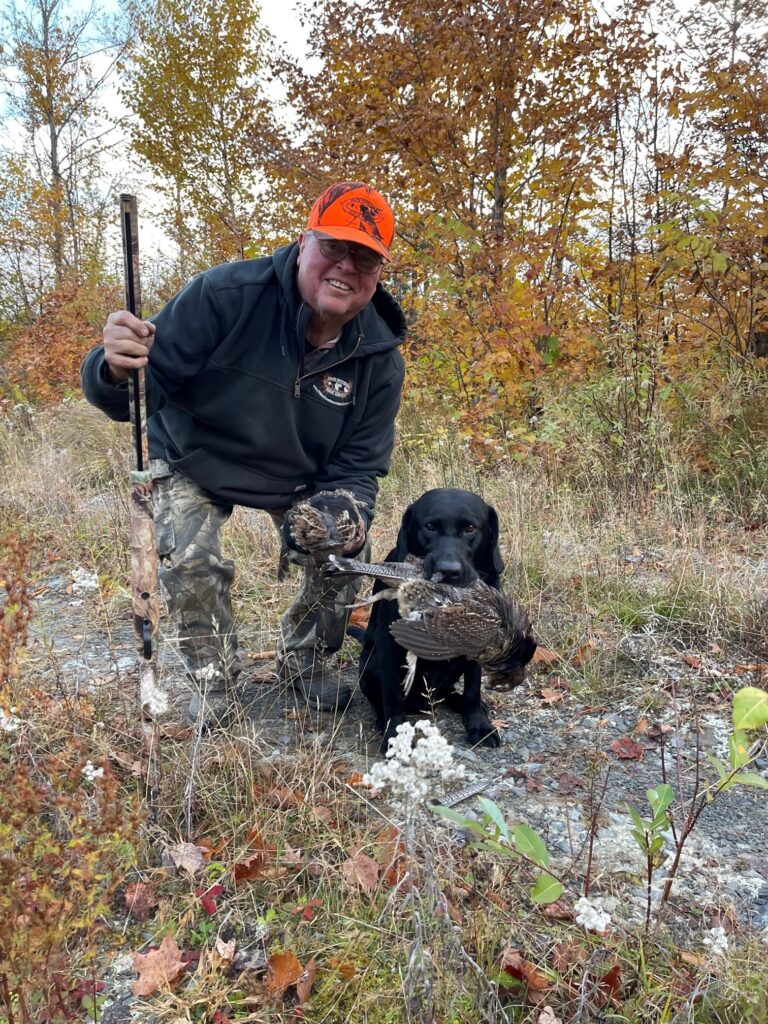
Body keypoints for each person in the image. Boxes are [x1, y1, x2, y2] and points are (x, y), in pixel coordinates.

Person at [81, 182, 406, 727]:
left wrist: (341, 512)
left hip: (299, 479)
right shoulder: (224, 295)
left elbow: (360, 466)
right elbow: (140, 391)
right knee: (191, 558)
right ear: (304, 243)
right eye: (335, 247)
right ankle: (214, 682)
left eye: (366, 258)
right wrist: (114, 366)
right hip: (195, 457)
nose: (347, 267)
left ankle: (303, 663)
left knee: (350, 545)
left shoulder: (379, 358)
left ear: (378, 272)